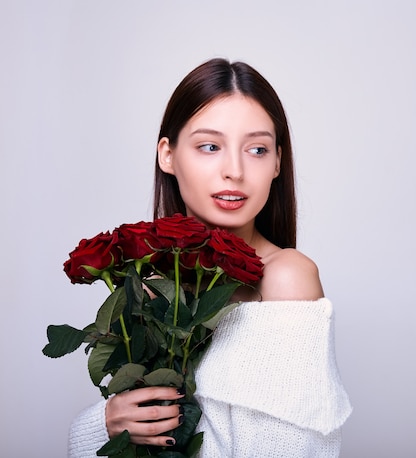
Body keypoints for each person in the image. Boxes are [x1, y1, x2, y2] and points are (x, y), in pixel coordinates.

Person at [67, 57, 352, 457]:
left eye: (256, 149)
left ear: (277, 163)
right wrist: (106, 422)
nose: (233, 170)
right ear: (167, 155)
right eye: (209, 146)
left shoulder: (285, 278)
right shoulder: (149, 285)